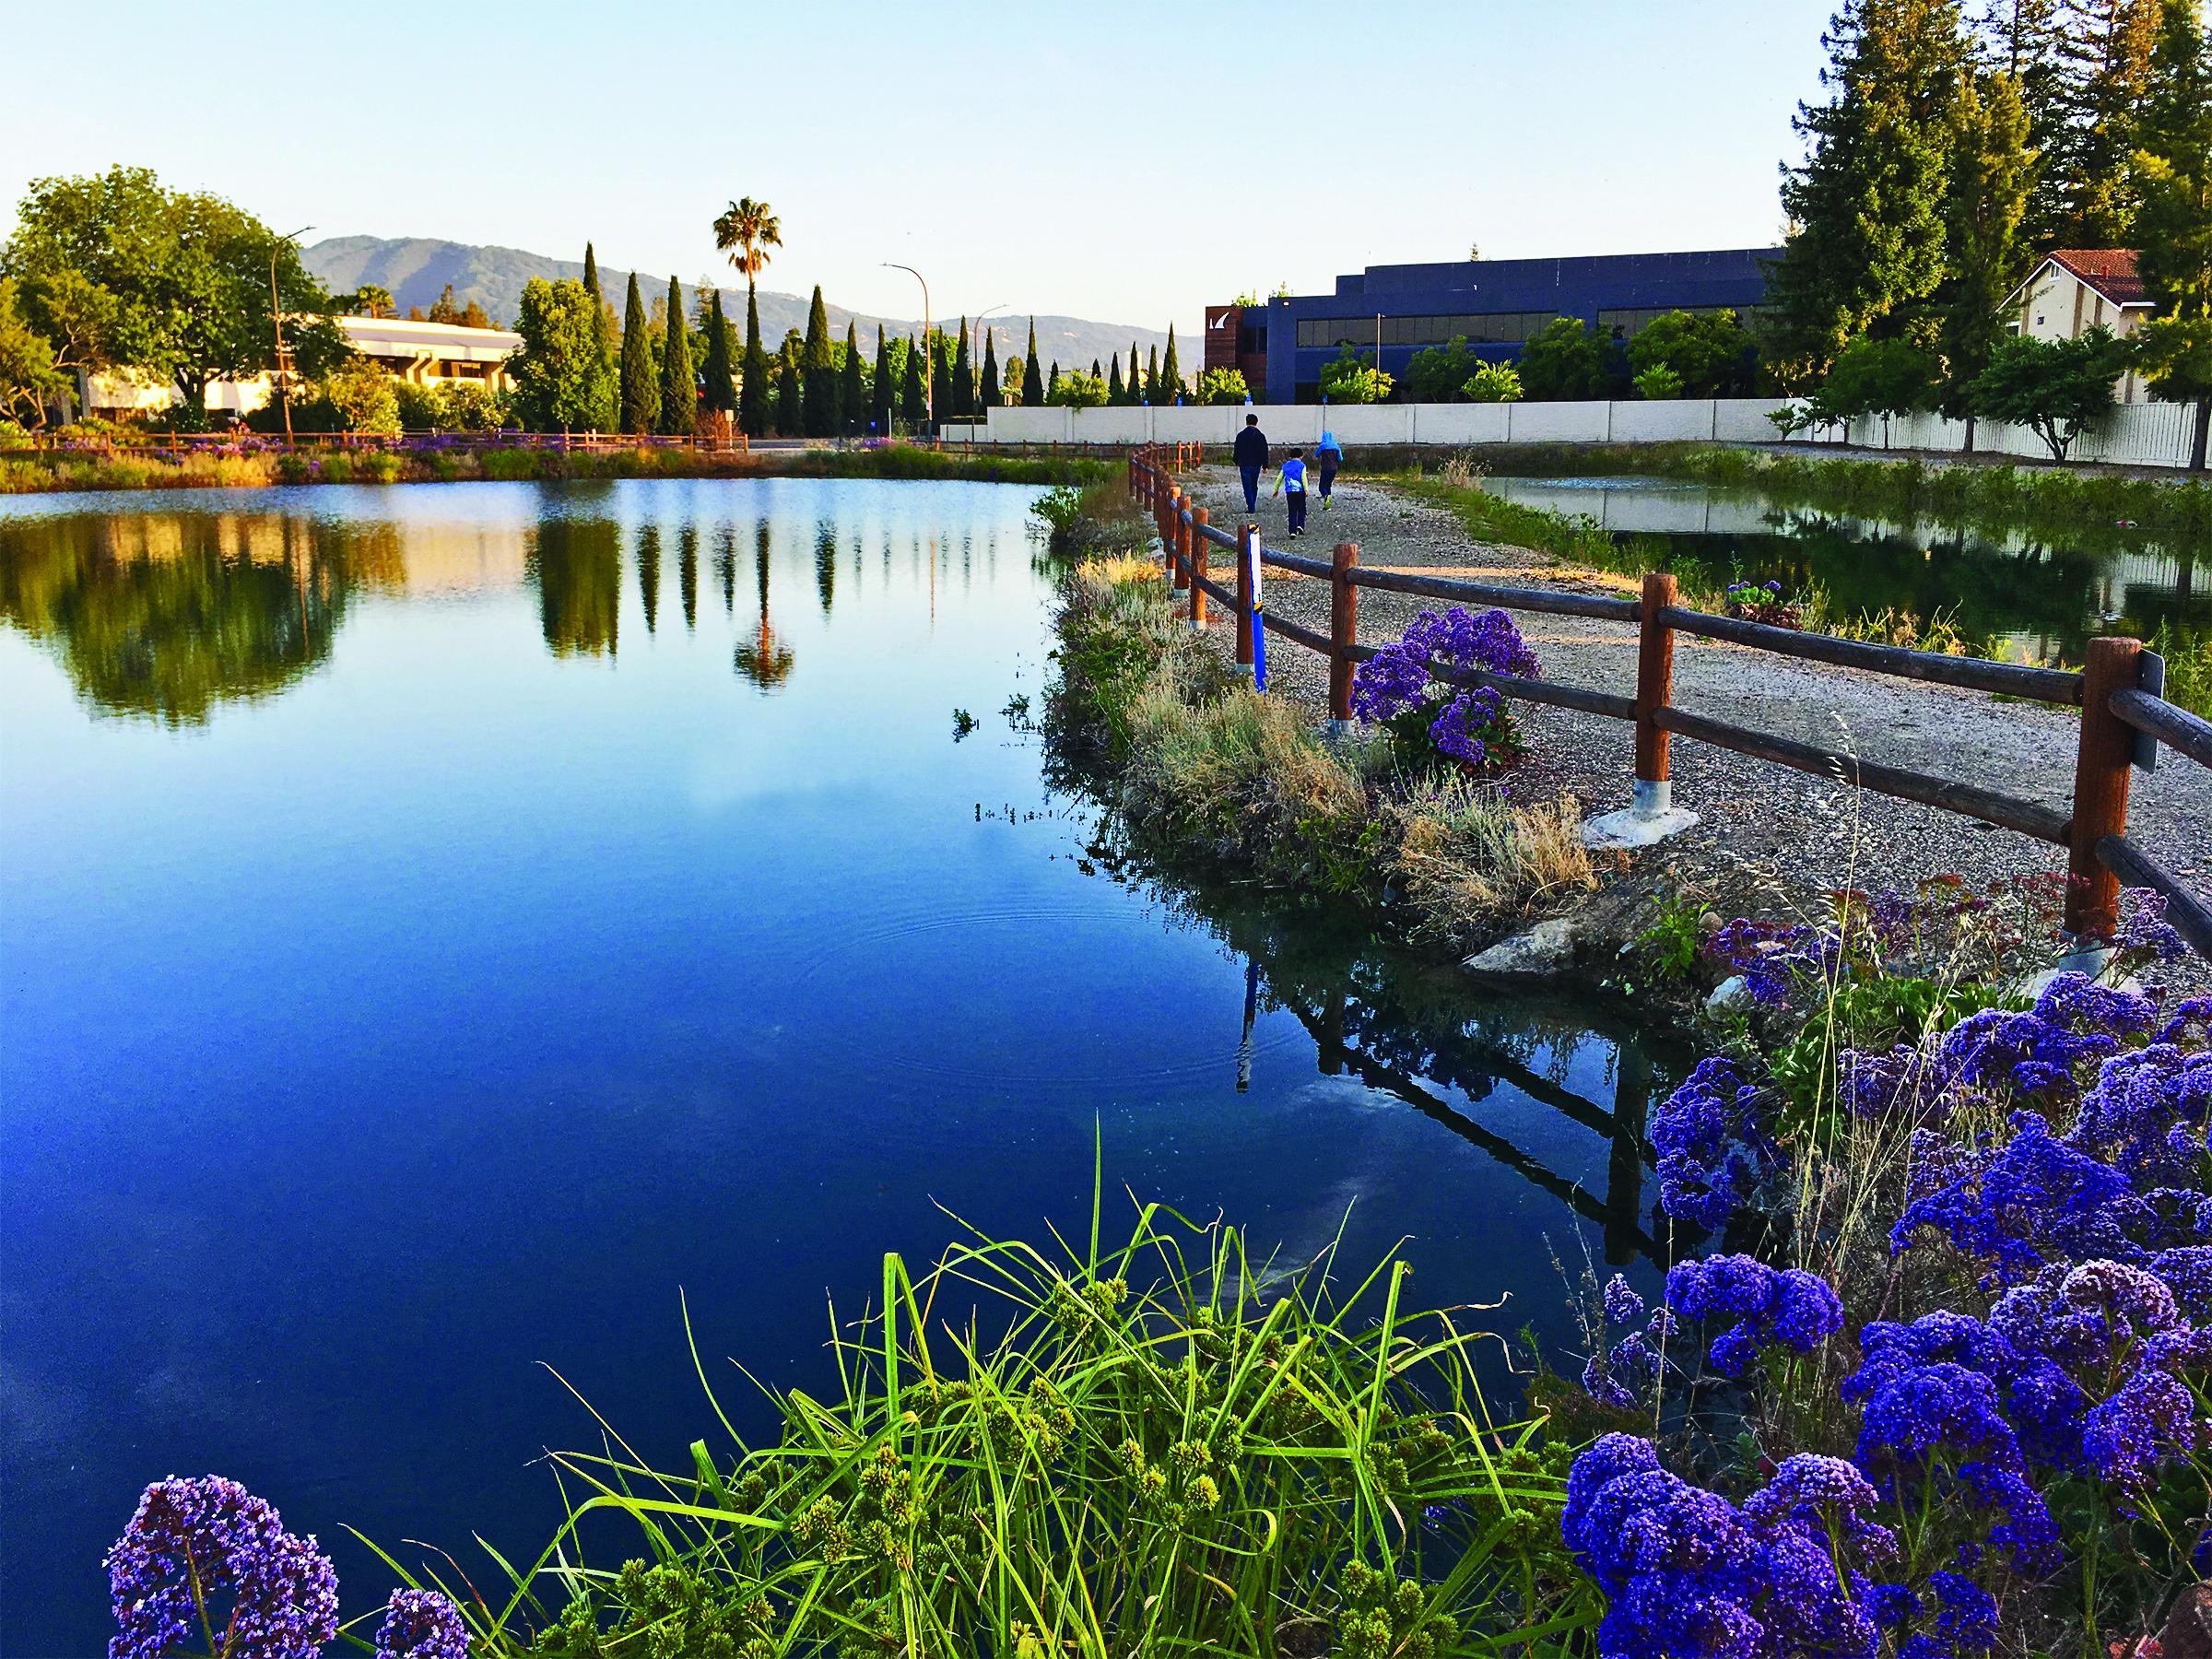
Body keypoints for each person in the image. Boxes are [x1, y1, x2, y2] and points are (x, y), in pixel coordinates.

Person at [1232, 412, 1267, 512]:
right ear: (1256, 422)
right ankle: (1253, 503)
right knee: (1254, 485)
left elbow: (1237, 449)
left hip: (1244, 464)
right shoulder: (1260, 436)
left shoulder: (1241, 435)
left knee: (1246, 486)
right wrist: (1265, 465)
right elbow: (1264, 450)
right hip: (1256, 464)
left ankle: (1250, 506)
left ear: (1246, 422)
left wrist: (1236, 460)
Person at [1274, 448, 1309, 537]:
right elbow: (1303, 478)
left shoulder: (1285, 465)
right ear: (1301, 456)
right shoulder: (1302, 466)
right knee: (1302, 509)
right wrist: (1306, 489)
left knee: (1292, 510)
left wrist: (1276, 489)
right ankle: (1300, 525)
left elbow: (1279, 478)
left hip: (1289, 491)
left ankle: (1292, 531)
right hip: (1300, 491)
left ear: (1290, 456)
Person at [1315, 428, 1343, 509]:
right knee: (1328, 486)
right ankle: (1327, 506)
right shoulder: (1336, 446)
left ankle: (1326, 497)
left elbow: (1317, 454)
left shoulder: (1322, 446)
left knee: (1321, 486)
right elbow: (1340, 459)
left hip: (1325, 468)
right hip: (1334, 469)